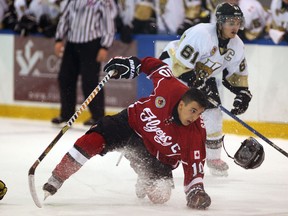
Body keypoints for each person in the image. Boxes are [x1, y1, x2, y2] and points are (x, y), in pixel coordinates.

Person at [43, 56, 212, 210]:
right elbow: (154, 66)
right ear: (181, 104)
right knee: (92, 141)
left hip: (158, 156)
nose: (195, 117)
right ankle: (57, 178)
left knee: (160, 196)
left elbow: (194, 169)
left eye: (199, 114)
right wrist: (132, 64)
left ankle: (143, 172)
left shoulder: (195, 134)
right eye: (193, 111)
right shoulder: (169, 86)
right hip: (131, 124)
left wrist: (196, 193)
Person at [159, 2, 252, 176]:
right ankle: (159, 152)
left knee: (213, 109)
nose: (235, 27)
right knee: (172, 111)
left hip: (200, 76)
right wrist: (196, 83)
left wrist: (243, 93)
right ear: (220, 22)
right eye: (231, 22)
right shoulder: (201, 34)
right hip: (171, 67)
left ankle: (213, 157)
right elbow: (180, 66)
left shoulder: (237, 45)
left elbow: (235, 75)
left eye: (238, 22)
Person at [51, 0, 117, 126]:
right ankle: (66, 114)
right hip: (72, 43)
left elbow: (108, 24)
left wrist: (105, 46)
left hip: (91, 44)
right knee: (65, 78)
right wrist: (59, 38)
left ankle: (97, 117)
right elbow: (65, 18)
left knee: (90, 81)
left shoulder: (102, 2)